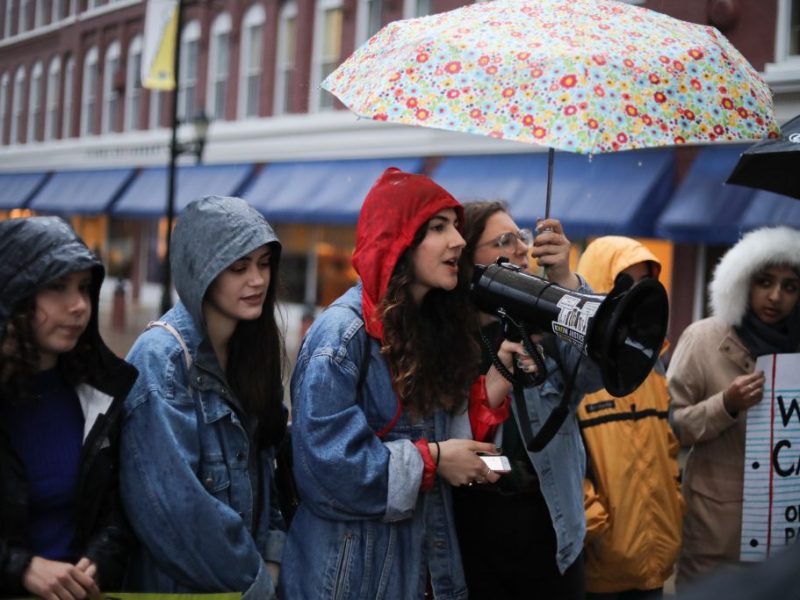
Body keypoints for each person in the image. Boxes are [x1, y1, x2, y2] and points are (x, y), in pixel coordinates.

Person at [279, 169, 531, 600]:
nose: (459, 240)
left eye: (456, 227)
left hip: (425, 573)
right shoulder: (341, 337)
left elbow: (441, 437)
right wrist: (433, 460)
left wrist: (495, 381)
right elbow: (328, 472)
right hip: (351, 583)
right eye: (439, 227)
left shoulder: (430, 328)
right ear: (397, 241)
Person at [120, 196, 287, 599]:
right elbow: (176, 512)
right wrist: (256, 579)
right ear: (202, 269)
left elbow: (266, 467)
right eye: (239, 267)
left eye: (264, 264)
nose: (257, 280)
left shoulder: (252, 350)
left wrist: (273, 556)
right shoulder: (161, 360)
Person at [453, 200, 604, 600]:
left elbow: (594, 375)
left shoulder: (545, 316)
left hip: (549, 525)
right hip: (474, 527)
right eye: (505, 241)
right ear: (468, 260)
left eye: (521, 236)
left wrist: (566, 282)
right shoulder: (446, 338)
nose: (523, 248)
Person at [0, 217, 137, 599]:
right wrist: (21, 568)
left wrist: (101, 557)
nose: (78, 305)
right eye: (57, 287)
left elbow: (118, 510)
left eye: (84, 288)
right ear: (15, 294)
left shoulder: (98, 396)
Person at [667, 226, 800, 588]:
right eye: (764, 281)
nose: (775, 296)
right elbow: (670, 426)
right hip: (714, 535)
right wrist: (726, 405)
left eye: (790, 286)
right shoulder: (703, 338)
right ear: (742, 281)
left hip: (785, 536)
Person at [575, 236, 684, 600]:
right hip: (600, 568)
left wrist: (674, 507)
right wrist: (595, 527)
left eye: (644, 284)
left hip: (656, 561)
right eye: (625, 283)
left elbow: (668, 448)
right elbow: (564, 458)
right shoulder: (575, 370)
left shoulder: (653, 367)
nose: (636, 295)